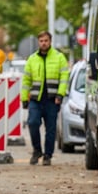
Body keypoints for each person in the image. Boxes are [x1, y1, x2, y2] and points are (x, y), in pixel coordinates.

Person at [21, 31, 69, 166]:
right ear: (38, 42)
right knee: (33, 123)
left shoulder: (59, 57)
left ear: (50, 41)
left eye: (46, 40)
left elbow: (64, 77)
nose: (44, 43)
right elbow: (26, 80)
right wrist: (24, 98)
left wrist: (60, 95)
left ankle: (47, 155)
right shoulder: (32, 59)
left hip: (52, 100)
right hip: (35, 99)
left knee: (51, 129)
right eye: (41, 40)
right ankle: (37, 150)